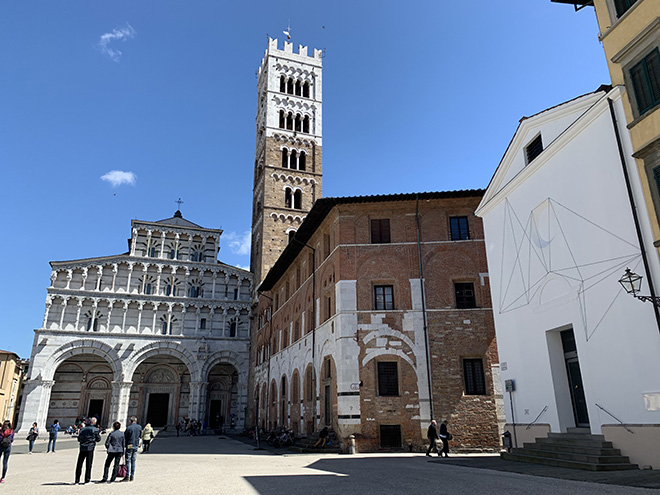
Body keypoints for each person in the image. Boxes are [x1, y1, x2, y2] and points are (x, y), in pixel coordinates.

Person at [75, 417, 101, 485]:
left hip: (82, 447)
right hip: (90, 448)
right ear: (94, 422)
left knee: (79, 464)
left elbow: (79, 438)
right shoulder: (95, 429)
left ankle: (77, 480)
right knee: (88, 464)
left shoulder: (82, 429)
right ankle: (87, 480)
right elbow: (98, 439)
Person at [124, 416, 142, 482]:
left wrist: (124, 445)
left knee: (128, 460)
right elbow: (140, 435)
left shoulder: (129, 427)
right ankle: (132, 476)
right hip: (136, 445)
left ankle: (127, 475)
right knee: (133, 460)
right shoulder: (139, 427)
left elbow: (125, 436)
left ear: (131, 421)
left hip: (129, 444)